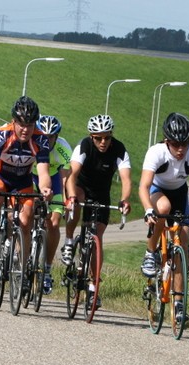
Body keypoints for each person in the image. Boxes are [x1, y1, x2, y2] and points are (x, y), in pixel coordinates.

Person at [139, 112, 189, 324]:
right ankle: (150, 252)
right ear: (167, 141)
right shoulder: (156, 152)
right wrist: (147, 209)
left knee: (183, 244)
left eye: (185, 144)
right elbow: (143, 186)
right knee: (163, 207)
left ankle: (179, 303)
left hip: (180, 193)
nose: (181, 149)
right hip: (157, 190)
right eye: (176, 144)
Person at [0, 96, 53, 285]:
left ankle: (21, 265)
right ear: (14, 121)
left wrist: (45, 188)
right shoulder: (1, 135)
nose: (25, 129)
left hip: (23, 181)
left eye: (30, 125)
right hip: (1, 178)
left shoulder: (41, 140)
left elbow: (44, 172)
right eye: (21, 124)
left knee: (26, 219)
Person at [62, 113, 133, 308]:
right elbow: (72, 174)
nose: (103, 142)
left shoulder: (119, 149)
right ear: (91, 137)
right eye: (98, 138)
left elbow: (126, 179)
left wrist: (124, 200)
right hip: (81, 187)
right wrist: (71, 198)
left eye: (107, 137)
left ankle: (94, 287)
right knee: (77, 201)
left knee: (97, 238)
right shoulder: (84, 146)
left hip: (102, 193)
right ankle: (69, 241)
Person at [32, 114, 72, 295]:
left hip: (54, 180)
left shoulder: (63, 148)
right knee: (26, 214)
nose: (47, 140)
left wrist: (66, 200)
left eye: (51, 137)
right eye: (44, 136)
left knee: (54, 223)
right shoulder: (31, 142)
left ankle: (47, 269)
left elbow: (65, 179)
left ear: (57, 136)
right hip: (31, 177)